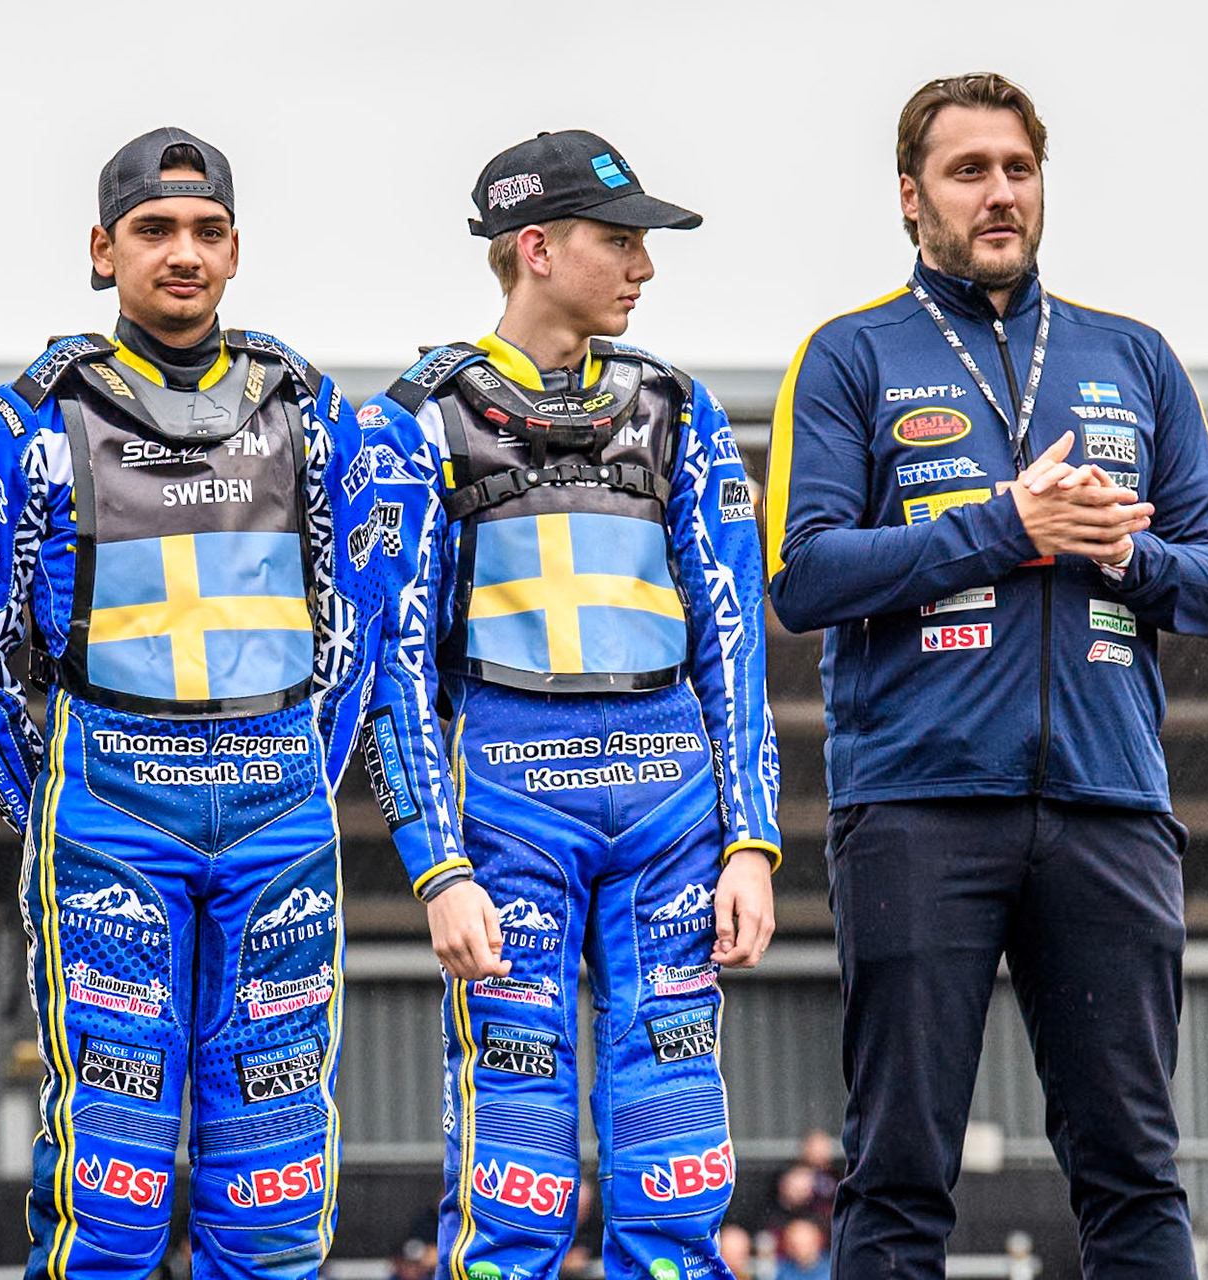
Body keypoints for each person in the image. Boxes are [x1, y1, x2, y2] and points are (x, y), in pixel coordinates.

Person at [766, 72, 1208, 1279]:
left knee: (1136, 1171)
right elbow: (805, 574)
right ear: (910, 196)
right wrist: (1008, 524)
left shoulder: (1133, 356)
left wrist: (1125, 552)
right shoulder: (848, 355)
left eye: (1018, 169)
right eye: (968, 170)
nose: (999, 194)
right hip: (917, 807)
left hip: (1110, 807)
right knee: (899, 1169)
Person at [0, 126, 436, 1277]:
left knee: (272, 1184)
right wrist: (49, 799)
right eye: (154, 229)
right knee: (109, 1182)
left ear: (236, 250)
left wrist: (301, 770)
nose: (184, 252)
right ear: (101, 249)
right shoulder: (28, 419)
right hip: (107, 814)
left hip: (279, 820)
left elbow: (360, 617)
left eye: (208, 230)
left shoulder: (311, 409)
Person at [359, 129, 780, 1280]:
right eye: (620, 239)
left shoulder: (676, 406)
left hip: (670, 813)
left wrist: (752, 841)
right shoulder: (419, 417)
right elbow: (393, 664)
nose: (645, 265)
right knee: (516, 1162)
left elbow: (733, 637)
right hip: (511, 807)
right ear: (536, 247)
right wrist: (439, 866)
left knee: (677, 1151)